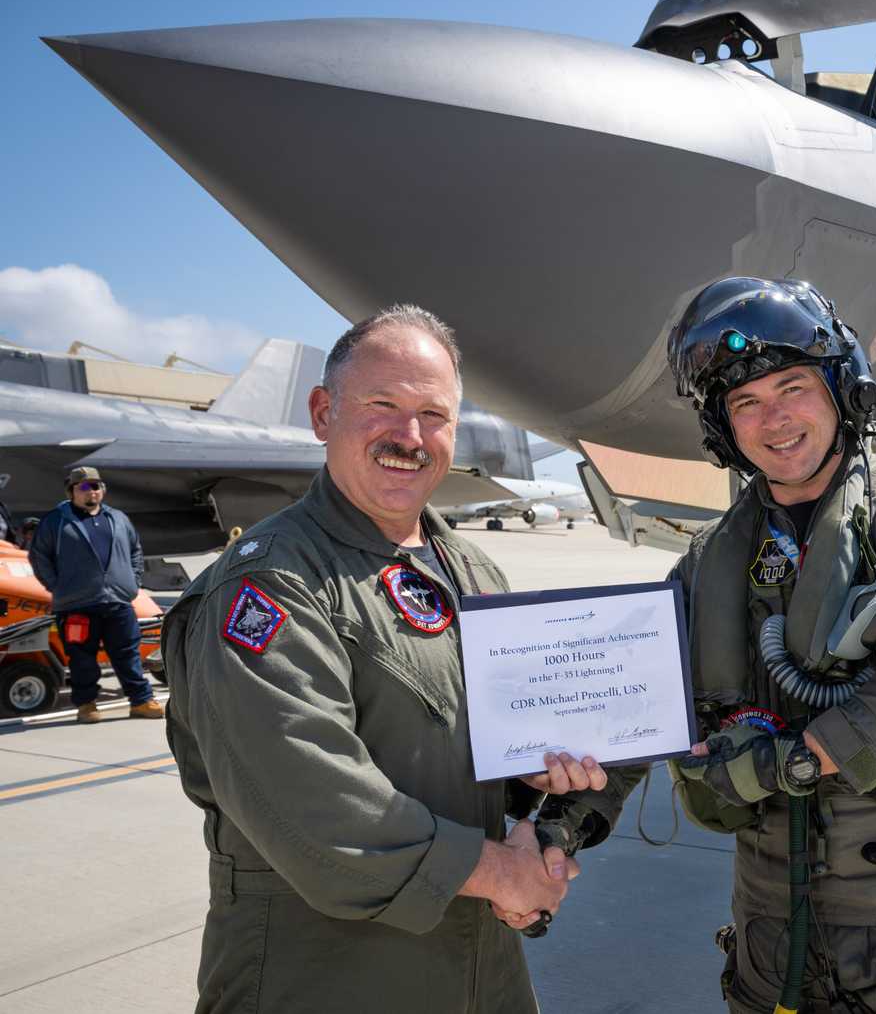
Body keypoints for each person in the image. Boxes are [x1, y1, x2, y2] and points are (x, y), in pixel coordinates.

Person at [546, 277, 876, 1012]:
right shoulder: (710, 564)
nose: (775, 418)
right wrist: (558, 833)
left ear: (841, 390)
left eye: (791, 387)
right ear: (723, 428)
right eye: (745, 403)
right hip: (770, 925)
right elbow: (633, 701)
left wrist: (793, 759)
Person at [160, 305, 607, 1014]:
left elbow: (474, 756)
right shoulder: (271, 583)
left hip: (478, 970)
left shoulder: (475, 573)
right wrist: (501, 874)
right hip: (323, 976)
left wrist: (540, 810)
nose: (410, 435)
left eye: (434, 414)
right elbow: (314, 802)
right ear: (321, 412)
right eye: (383, 405)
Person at [28, 467, 163, 724]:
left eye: (96, 486)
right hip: (76, 604)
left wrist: (132, 582)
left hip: (117, 600)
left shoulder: (118, 518)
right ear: (72, 491)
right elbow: (39, 556)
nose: (93, 491)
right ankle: (87, 704)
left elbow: (135, 550)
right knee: (81, 657)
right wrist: (57, 586)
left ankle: (141, 700)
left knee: (127, 653)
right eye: (85, 487)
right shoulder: (56, 521)